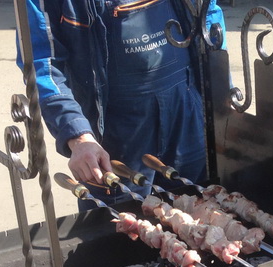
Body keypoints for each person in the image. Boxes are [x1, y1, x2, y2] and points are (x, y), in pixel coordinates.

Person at [22, 0, 226, 203]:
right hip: (115, 135)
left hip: (188, 114)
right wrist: (78, 136)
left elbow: (208, 15)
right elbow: (41, 64)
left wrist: (222, 99)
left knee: (202, 212)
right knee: (124, 226)